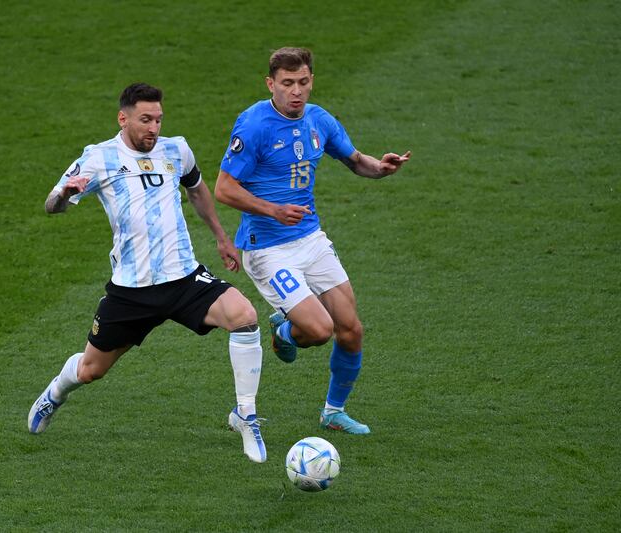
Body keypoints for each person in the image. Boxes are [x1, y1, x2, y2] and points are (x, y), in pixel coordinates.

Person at [28, 83, 266, 463]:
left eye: (158, 119)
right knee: (91, 370)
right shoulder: (98, 158)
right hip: (131, 291)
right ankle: (57, 391)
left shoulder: (177, 149)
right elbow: (51, 205)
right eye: (145, 120)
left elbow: (198, 189)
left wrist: (221, 236)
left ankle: (246, 415)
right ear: (123, 119)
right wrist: (64, 194)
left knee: (245, 316)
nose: (153, 127)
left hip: (184, 278)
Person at [214, 47, 411, 435]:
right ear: (271, 84)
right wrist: (273, 210)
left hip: (311, 239)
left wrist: (380, 168)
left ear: (311, 81)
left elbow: (354, 160)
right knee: (319, 331)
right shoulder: (254, 125)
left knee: (351, 328)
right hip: (267, 247)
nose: (296, 91)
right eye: (287, 84)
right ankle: (284, 330)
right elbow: (224, 188)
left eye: (303, 82)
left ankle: (333, 412)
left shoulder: (319, 120)